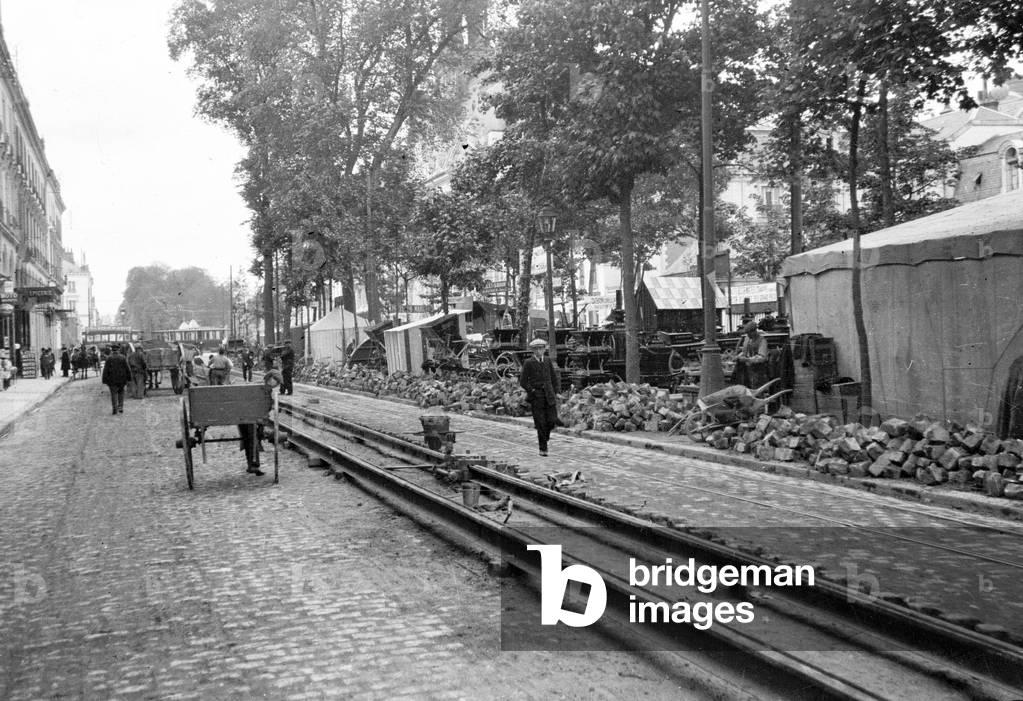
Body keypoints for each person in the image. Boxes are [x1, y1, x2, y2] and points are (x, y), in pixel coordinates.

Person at [519, 338, 561, 456]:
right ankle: (543, 449)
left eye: (541, 348)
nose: (539, 351)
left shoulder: (547, 361)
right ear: (533, 350)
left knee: (552, 420)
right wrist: (531, 390)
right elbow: (523, 381)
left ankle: (545, 436)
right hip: (537, 397)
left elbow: (553, 378)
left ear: (544, 349)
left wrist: (556, 391)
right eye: (536, 349)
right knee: (540, 423)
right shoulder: (528, 362)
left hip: (549, 395)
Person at [733, 320, 769, 388]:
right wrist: (738, 356)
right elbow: (744, 351)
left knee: (756, 387)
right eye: (747, 333)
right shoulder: (747, 339)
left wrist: (747, 359)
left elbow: (762, 357)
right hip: (747, 369)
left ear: (754, 331)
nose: (748, 335)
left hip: (758, 369)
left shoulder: (762, 341)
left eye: (749, 333)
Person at [101, 344, 132, 415]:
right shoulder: (123, 357)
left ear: (112, 350)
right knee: (121, 392)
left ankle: (115, 409)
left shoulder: (109, 358)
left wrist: (104, 380)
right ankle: (120, 407)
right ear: (118, 350)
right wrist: (129, 378)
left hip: (112, 380)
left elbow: (106, 370)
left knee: (113, 394)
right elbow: (127, 369)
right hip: (122, 379)